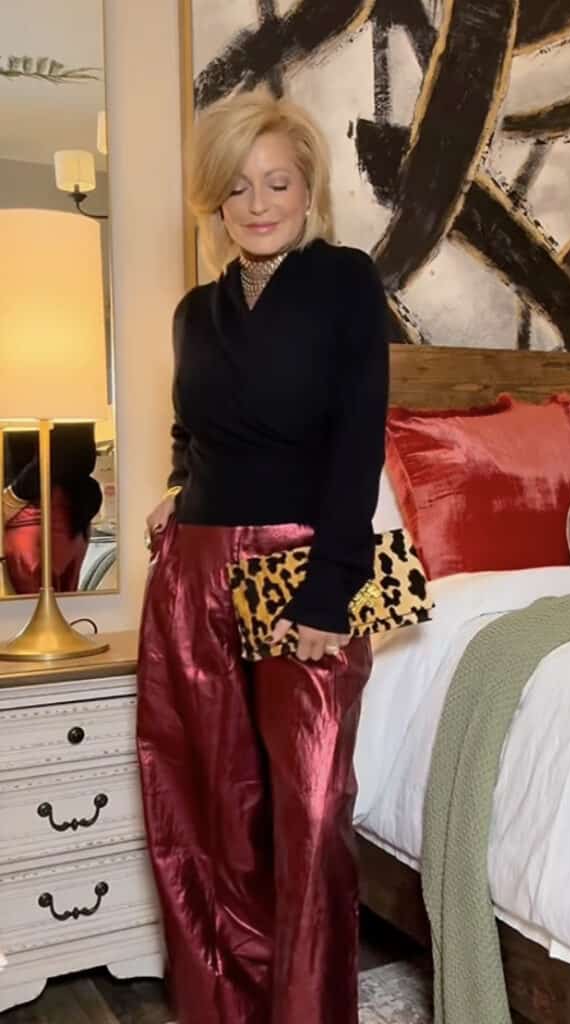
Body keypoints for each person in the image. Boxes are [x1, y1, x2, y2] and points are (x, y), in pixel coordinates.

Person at [136, 89, 389, 1024]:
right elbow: (187, 428)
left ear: (308, 187)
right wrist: (176, 489)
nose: (257, 202)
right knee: (207, 816)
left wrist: (331, 594)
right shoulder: (192, 312)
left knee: (309, 815)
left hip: (301, 572)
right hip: (194, 572)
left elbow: (358, 437)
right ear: (214, 198)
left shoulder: (344, 281)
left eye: (276, 181)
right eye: (236, 186)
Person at [2, 424, 102, 593]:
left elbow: (61, 453)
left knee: (33, 607)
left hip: (38, 507)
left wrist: (13, 496)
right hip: (66, 508)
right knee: (56, 604)